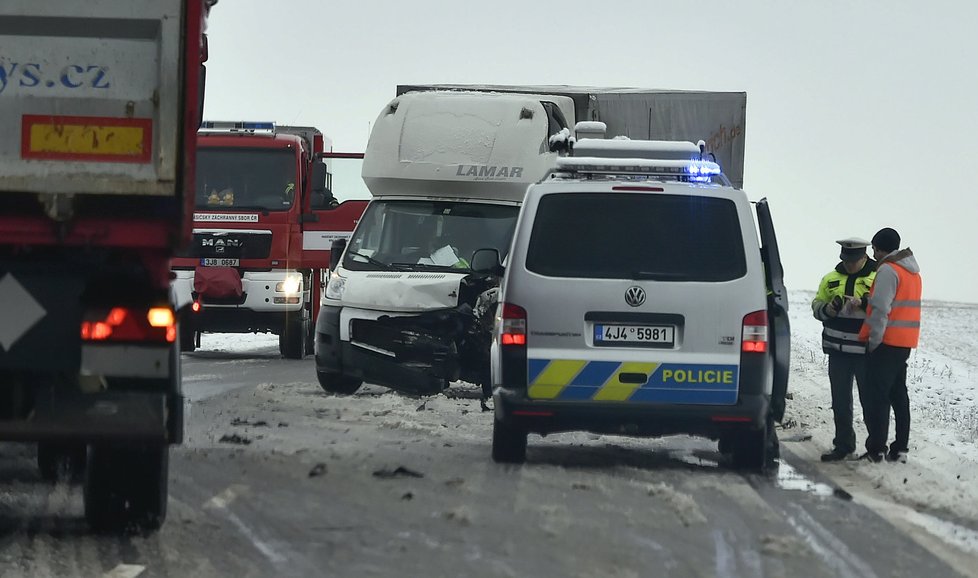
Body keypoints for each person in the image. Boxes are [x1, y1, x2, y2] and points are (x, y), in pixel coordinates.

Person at [858, 227, 922, 463]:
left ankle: (876, 449)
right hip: (904, 343)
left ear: (878, 247)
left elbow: (880, 308)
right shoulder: (912, 272)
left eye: (874, 249)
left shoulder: (887, 270)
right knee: (898, 395)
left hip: (886, 342)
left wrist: (874, 341)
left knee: (878, 397)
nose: (873, 254)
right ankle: (900, 448)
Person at [812, 238, 876, 461]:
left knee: (870, 401)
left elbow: (886, 308)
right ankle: (843, 445)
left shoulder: (877, 278)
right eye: (846, 260)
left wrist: (865, 303)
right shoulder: (830, 278)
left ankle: (875, 449)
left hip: (866, 352)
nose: (849, 265)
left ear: (865, 257)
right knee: (840, 402)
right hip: (837, 350)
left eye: (854, 260)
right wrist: (827, 308)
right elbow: (816, 305)